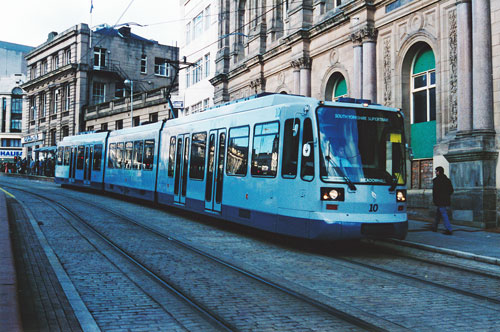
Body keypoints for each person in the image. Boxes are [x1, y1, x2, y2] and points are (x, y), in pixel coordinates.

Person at [432, 166, 454, 235]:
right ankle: (434, 227)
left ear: (438, 172)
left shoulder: (436, 181)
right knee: (438, 213)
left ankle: (449, 229)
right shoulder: (447, 180)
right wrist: (446, 196)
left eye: (436, 171)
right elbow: (451, 190)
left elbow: (435, 192)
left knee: (444, 214)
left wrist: (435, 200)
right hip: (445, 200)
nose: (435, 172)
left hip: (439, 200)